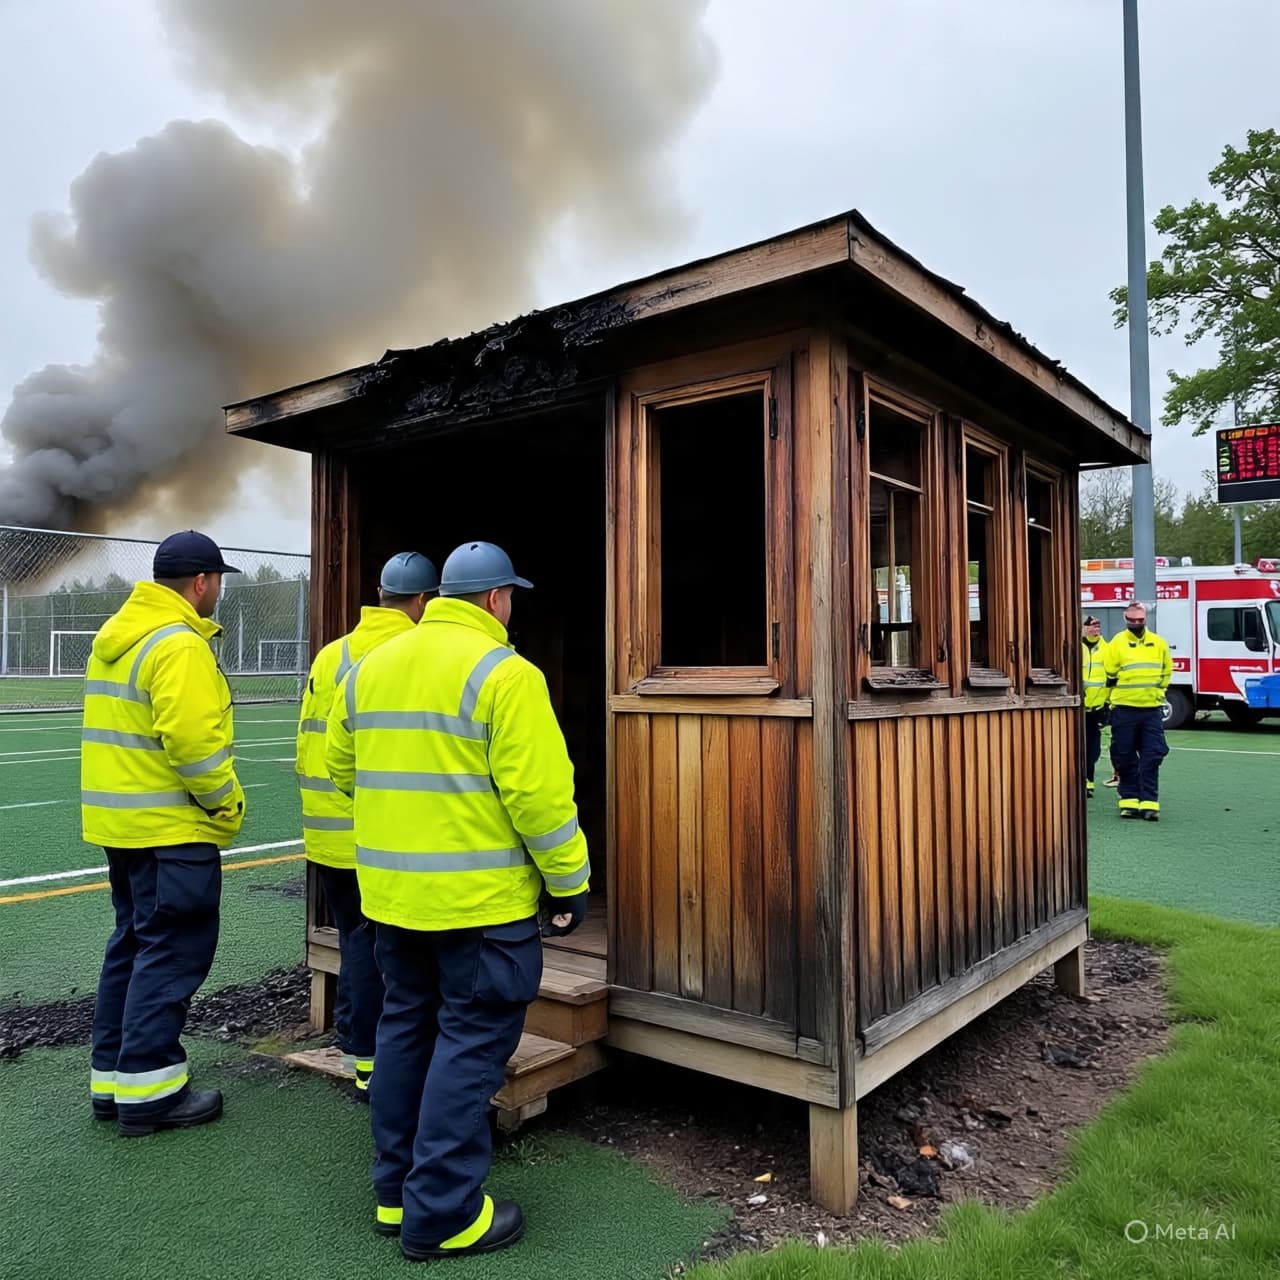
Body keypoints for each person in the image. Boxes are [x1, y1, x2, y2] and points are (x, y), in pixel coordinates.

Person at [326, 540, 590, 1261]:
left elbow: (341, 766)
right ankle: (442, 1213)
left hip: (391, 899)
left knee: (405, 1030)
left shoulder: (370, 667)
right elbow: (540, 800)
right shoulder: (507, 674)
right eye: (510, 600)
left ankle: (395, 1193)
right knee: (470, 1044)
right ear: (497, 599)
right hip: (481, 906)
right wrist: (568, 882)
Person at [82, 530, 246, 1135]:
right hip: (172, 829)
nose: (218, 591)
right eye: (217, 580)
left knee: (132, 944)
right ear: (201, 583)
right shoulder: (179, 644)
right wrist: (225, 803)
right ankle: (151, 1092)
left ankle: (112, 1082)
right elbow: (194, 744)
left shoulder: (118, 637)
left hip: (122, 827)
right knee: (171, 952)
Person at [296, 551, 438, 1095]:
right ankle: (369, 1062)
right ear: (423, 600)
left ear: (380, 595)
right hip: (370, 829)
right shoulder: (411, 654)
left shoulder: (332, 654)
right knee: (376, 946)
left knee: (354, 935)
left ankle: (351, 1036)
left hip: (323, 825)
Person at [1104, 601, 1173, 820]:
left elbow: (1166, 671)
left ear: (1145, 619)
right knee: (1124, 755)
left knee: (1152, 754)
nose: (1136, 623)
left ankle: (1149, 802)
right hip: (1124, 708)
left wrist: (1158, 692)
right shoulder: (1117, 643)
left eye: (1139, 620)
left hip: (1151, 708)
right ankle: (1129, 800)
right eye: (1132, 620)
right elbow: (1109, 672)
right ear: (1125, 619)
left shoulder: (1158, 643)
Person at [1081, 614, 1109, 798]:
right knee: (1079, 748)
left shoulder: (1107, 649)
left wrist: (1107, 704)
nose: (1095, 629)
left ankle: (1089, 781)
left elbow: (1112, 677)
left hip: (1097, 708)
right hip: (1079, 708)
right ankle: (1083, 782)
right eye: (1091, 626)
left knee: (1093, 750)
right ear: (1084, 628)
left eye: (1098, 626)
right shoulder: (1077, 647)